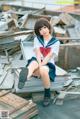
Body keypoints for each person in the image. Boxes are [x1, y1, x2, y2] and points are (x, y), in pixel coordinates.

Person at [18, 18, 60, 106]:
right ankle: (25, 77)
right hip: (37, 59)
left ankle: (47, 95)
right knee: (33, 64)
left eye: (44, 27)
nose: (43, 30)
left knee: (43, 70)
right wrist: (38, 63)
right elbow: (37, 53)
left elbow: (49, 56)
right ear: (38, 32)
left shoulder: (56, 42)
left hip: (48, 63)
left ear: (48, 27)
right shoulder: (37, 39)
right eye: (40, 29)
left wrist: (40, 66)